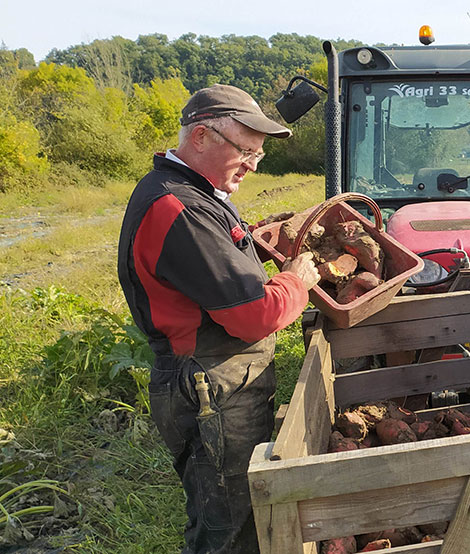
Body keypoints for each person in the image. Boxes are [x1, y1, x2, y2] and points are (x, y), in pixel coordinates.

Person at [117, 84, 320, 553]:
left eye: (259, 155)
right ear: (202, 137)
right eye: (246, 151)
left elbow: (215, 267)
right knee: (227, 527)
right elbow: (254, 314)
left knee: (236, 509)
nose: (253, 164)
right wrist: (296, 281)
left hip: (222, 380)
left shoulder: (194, 192)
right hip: (211, 388)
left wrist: (254, 240)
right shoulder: (180, 207)